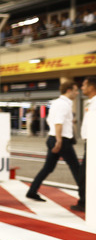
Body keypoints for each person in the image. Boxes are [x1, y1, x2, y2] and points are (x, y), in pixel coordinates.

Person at [26, 81, 81, 202]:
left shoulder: (56, 103)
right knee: (76, 168)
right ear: (69, 90)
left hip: (53, 138)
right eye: (76, 90)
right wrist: (59, 140)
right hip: (61, 140)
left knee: (48, 168)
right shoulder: (63, 104)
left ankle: (32, 191)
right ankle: (85, 198)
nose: (77, 93)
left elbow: (50, 121)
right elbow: (58, 122)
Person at [72, 76, 95, 212]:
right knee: (84, 173)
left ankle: (84, 202)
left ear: (92, 87)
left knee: (84, 174)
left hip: (93, 143)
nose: (82, 88)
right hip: (89, 142)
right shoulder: (91, 102)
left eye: (84, 85)